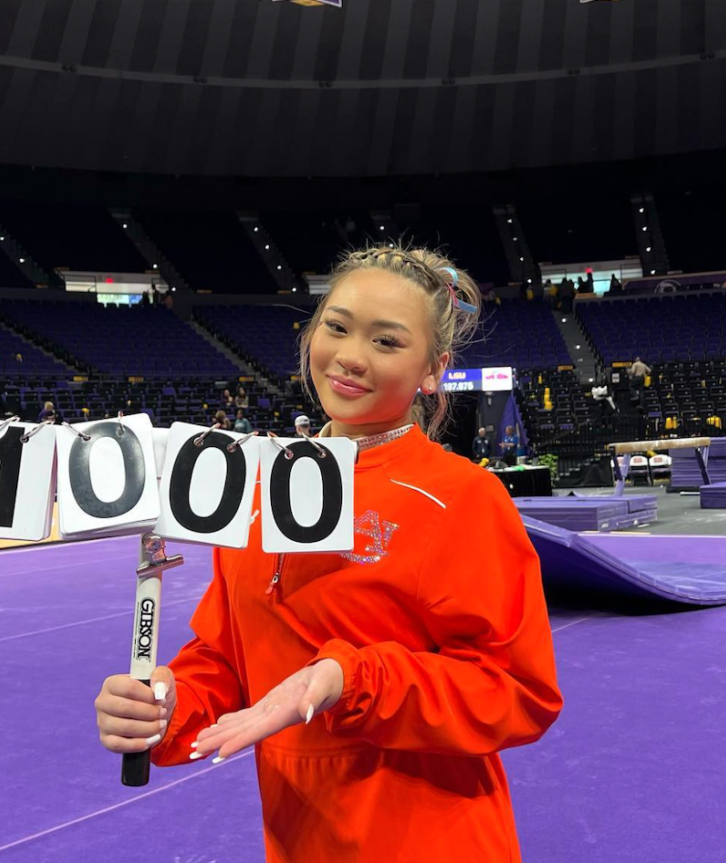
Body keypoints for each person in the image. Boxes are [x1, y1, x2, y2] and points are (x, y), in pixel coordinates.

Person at [94, 244, 562, 862]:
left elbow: (516, 691)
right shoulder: (257, 485)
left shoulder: (463, 498)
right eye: (336, 327)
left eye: (387, 342)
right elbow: (229, 655)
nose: (349, 357)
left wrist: (351, 679)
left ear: (433, 370)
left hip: (431, 834)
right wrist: (168, 703)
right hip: (299, 833)